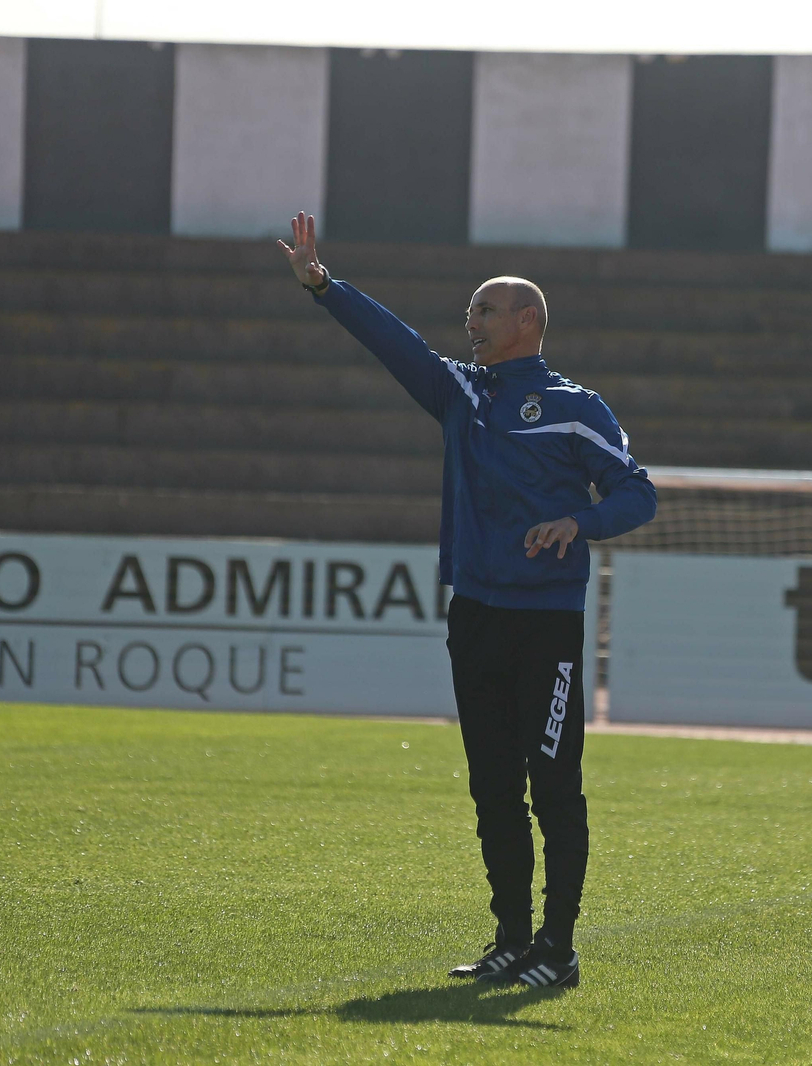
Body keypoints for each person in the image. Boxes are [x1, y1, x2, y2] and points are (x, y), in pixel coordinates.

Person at [278, 212, 656, 988]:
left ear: (529, 321)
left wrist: (576, 521)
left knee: (554, 786)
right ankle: (511, 940)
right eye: (469, 312)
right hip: (476, 616)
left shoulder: (577, 407)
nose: (470, 321)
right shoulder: (463, 394)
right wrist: (325, 287)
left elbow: (638, 495)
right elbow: (399, 347)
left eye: (485, 309)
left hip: (547, 623)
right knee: (492, 789)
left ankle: (560, 948)